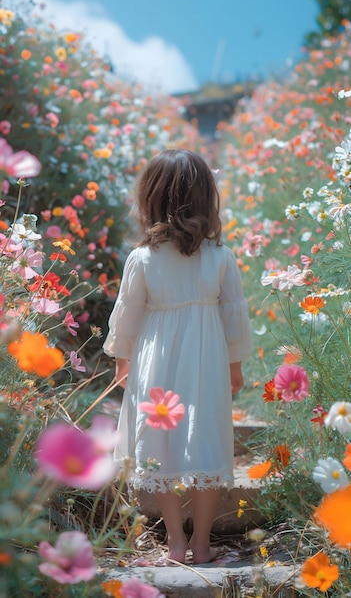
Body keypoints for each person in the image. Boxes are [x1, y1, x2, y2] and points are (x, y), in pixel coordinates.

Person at [103, 149, 253, 565]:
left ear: (152, 198)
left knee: (160, 446)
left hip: (156, 358)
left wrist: (122, 359)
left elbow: (128, 314)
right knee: (204, 441)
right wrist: (235, 365)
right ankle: (202, 541)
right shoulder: (220, 258)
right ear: (206, 198)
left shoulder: (143, 259)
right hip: (205, 361)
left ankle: (175, 542)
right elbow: (233, 316)